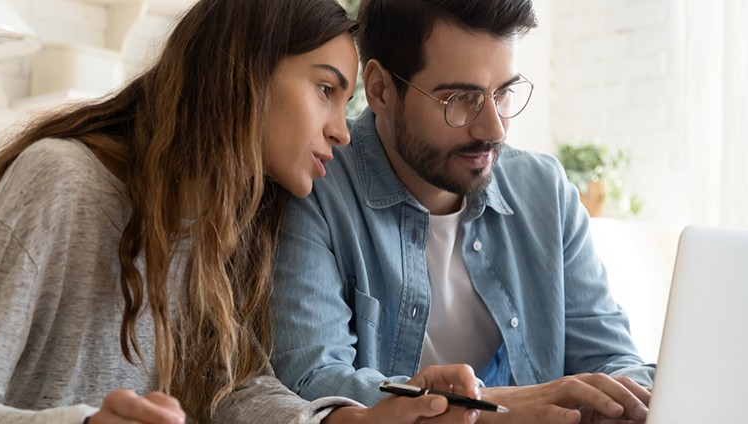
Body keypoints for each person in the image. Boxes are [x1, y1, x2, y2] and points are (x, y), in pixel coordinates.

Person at [0, 0, 483, 423]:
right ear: (245, 73)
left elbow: (232, 388)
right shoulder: (61, 181)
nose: (342, 130)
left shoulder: (236, 223)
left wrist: (343, 420)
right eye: (325, 89)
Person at [270, 0, 656, 423]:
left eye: (504, 92)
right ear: (380, 89)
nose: (494, 129)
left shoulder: (545, 191)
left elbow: (613, 359)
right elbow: (311, 382)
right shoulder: (312, 188)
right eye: (459, 99)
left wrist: (632, 400)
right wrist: (494, 410)